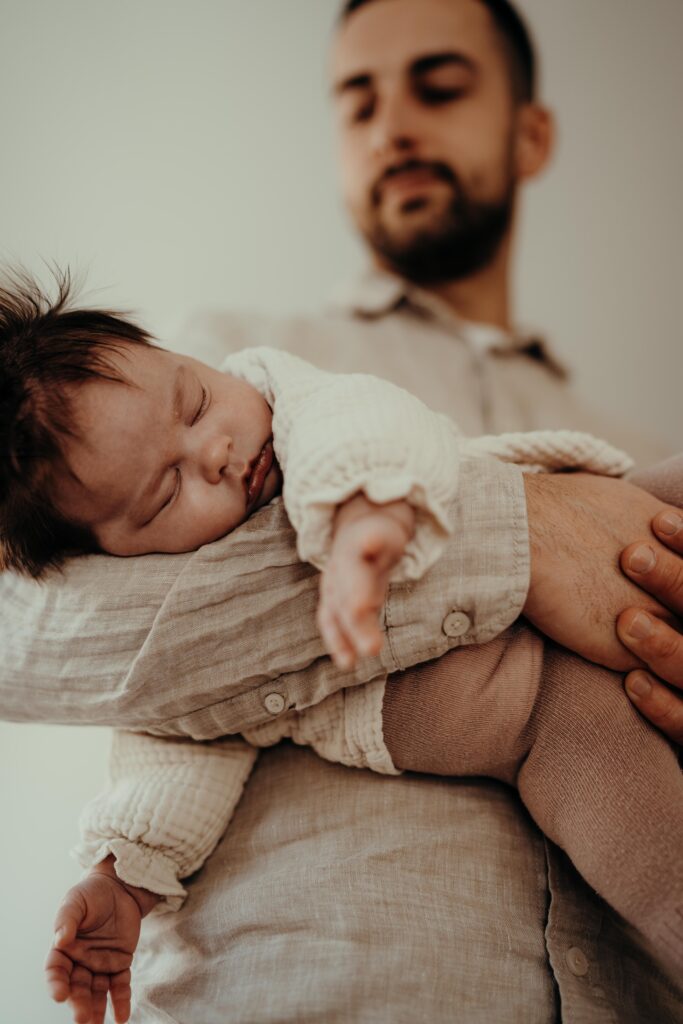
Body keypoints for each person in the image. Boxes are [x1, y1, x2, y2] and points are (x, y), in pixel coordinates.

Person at [2, 0, 683, 1020]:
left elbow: (354, 424)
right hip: (325, 978)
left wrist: (367, 514)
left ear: (530, 134)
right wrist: (125, 871)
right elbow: (152, 715)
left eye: (438, 89)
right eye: (358, 102)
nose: (214, 452)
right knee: (590, 750)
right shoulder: (168, 368)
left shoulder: (263, 379)